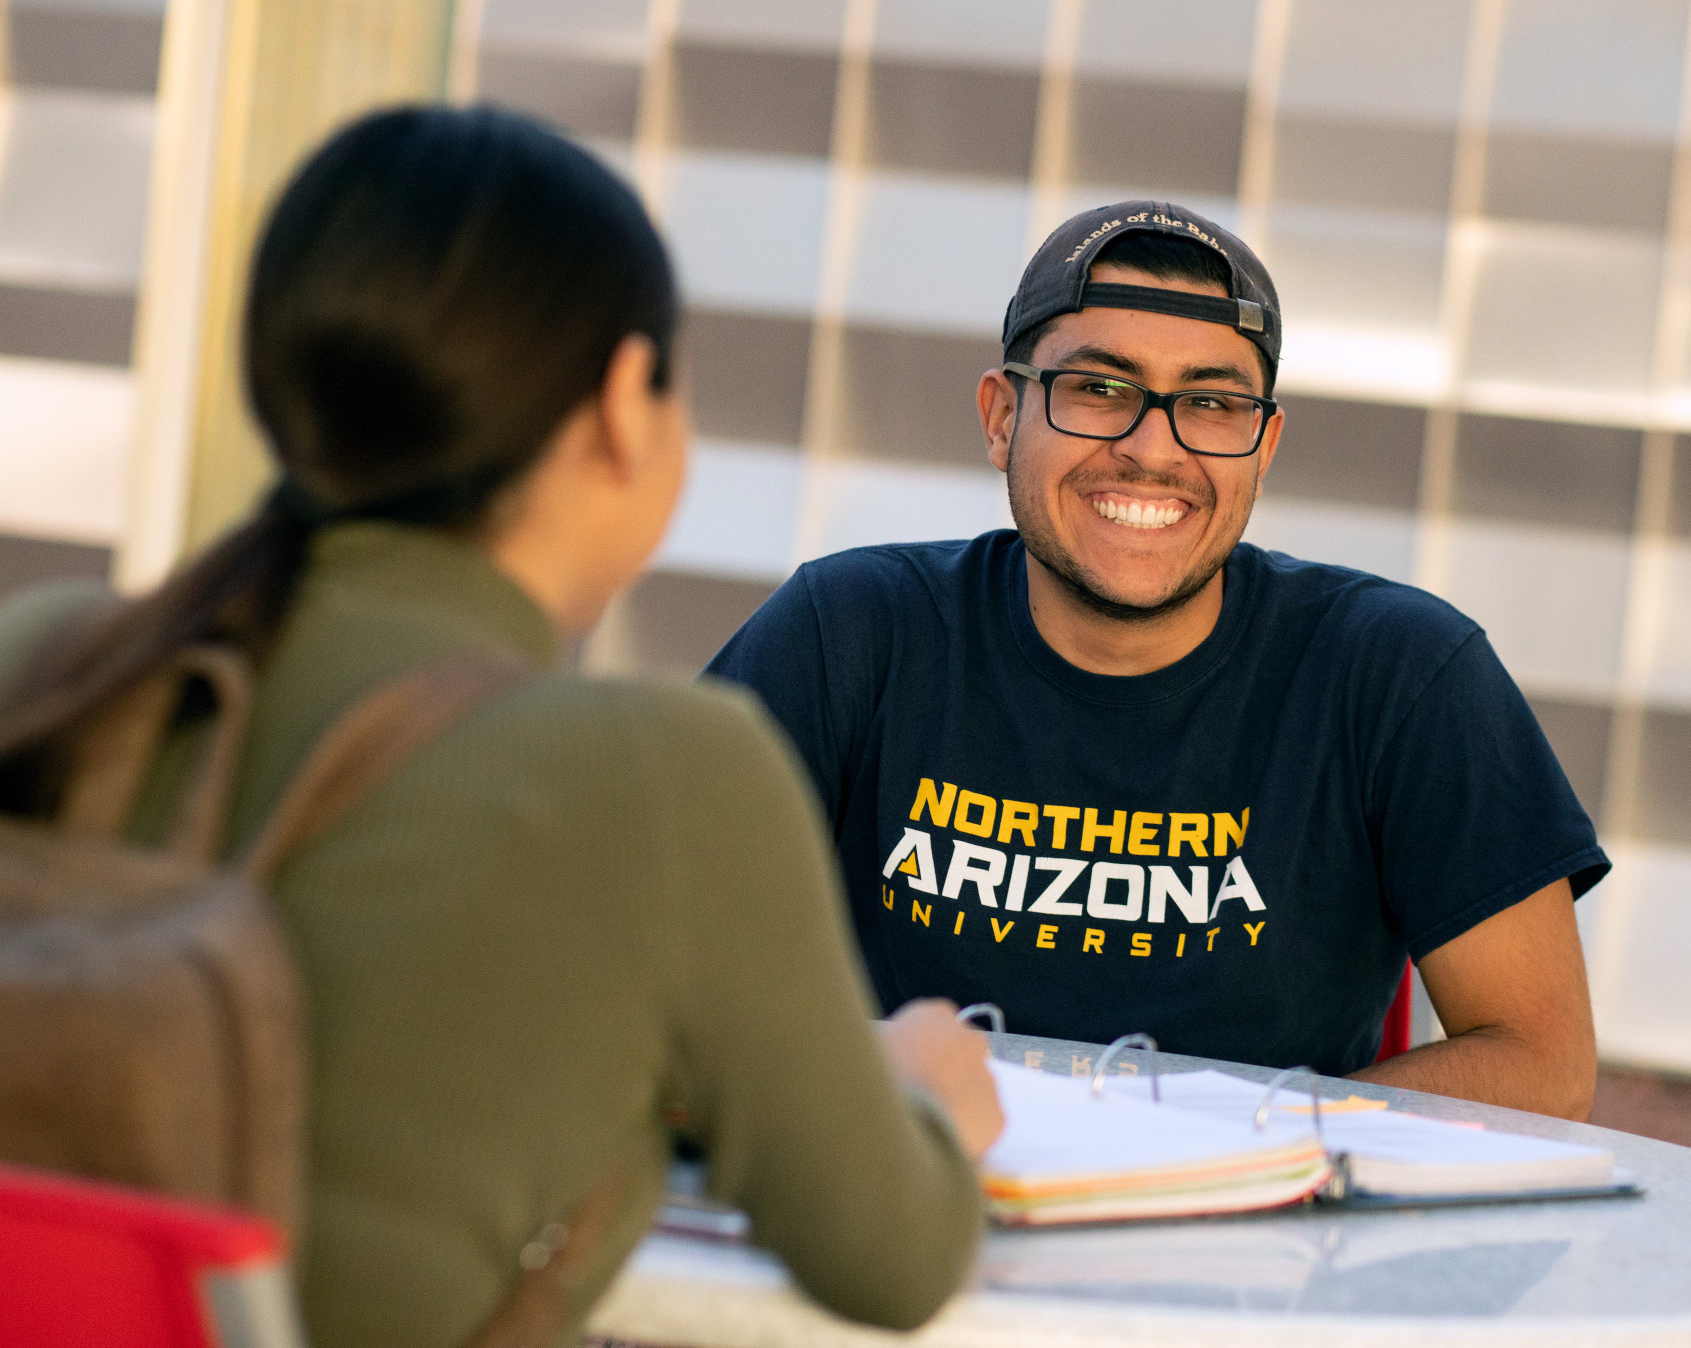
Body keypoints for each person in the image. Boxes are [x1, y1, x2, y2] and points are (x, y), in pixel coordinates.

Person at [0, 107, 996, 1346]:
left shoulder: (50, 658)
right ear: (626, 403)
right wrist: (925, 1102)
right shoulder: (669, 776)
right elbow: (891, 1262)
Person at [709, 201, 1607, 1119]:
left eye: (1213, 404)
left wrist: (1209, 1152)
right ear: (1001, 414)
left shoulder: (1398, 673)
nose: (1151, 449)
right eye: (1099, 389)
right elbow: (642, 965)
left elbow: (1541, 1064)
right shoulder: (849, 632)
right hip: (903, 1219)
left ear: (1264, 447)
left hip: (1262, 1233)